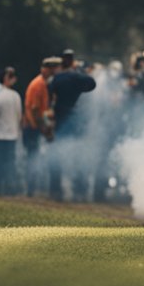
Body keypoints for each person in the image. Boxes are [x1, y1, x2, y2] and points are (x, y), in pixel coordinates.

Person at [46, 51, 96, 200]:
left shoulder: (56, 80)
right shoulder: (77, 77)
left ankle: (56, 191)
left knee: (57, 157)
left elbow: (50, 100)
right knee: (78, 157)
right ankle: (79, 190)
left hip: (61, 121)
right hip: (76, 121)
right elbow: (92, 83)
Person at [22, 57, 61, 196]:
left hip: (35, 127)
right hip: (32, 127)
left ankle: (33, 189)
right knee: (33, 159)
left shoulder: (44, 84)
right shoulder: (38, 85)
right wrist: (44, 129)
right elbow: (35, 110)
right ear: (49, 69)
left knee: (35, 158)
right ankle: (30, 190)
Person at [0, 66, 22, 196]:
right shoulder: (16, 96)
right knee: (10, 163)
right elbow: (19, 116)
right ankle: (10, 189)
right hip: (12, 135)